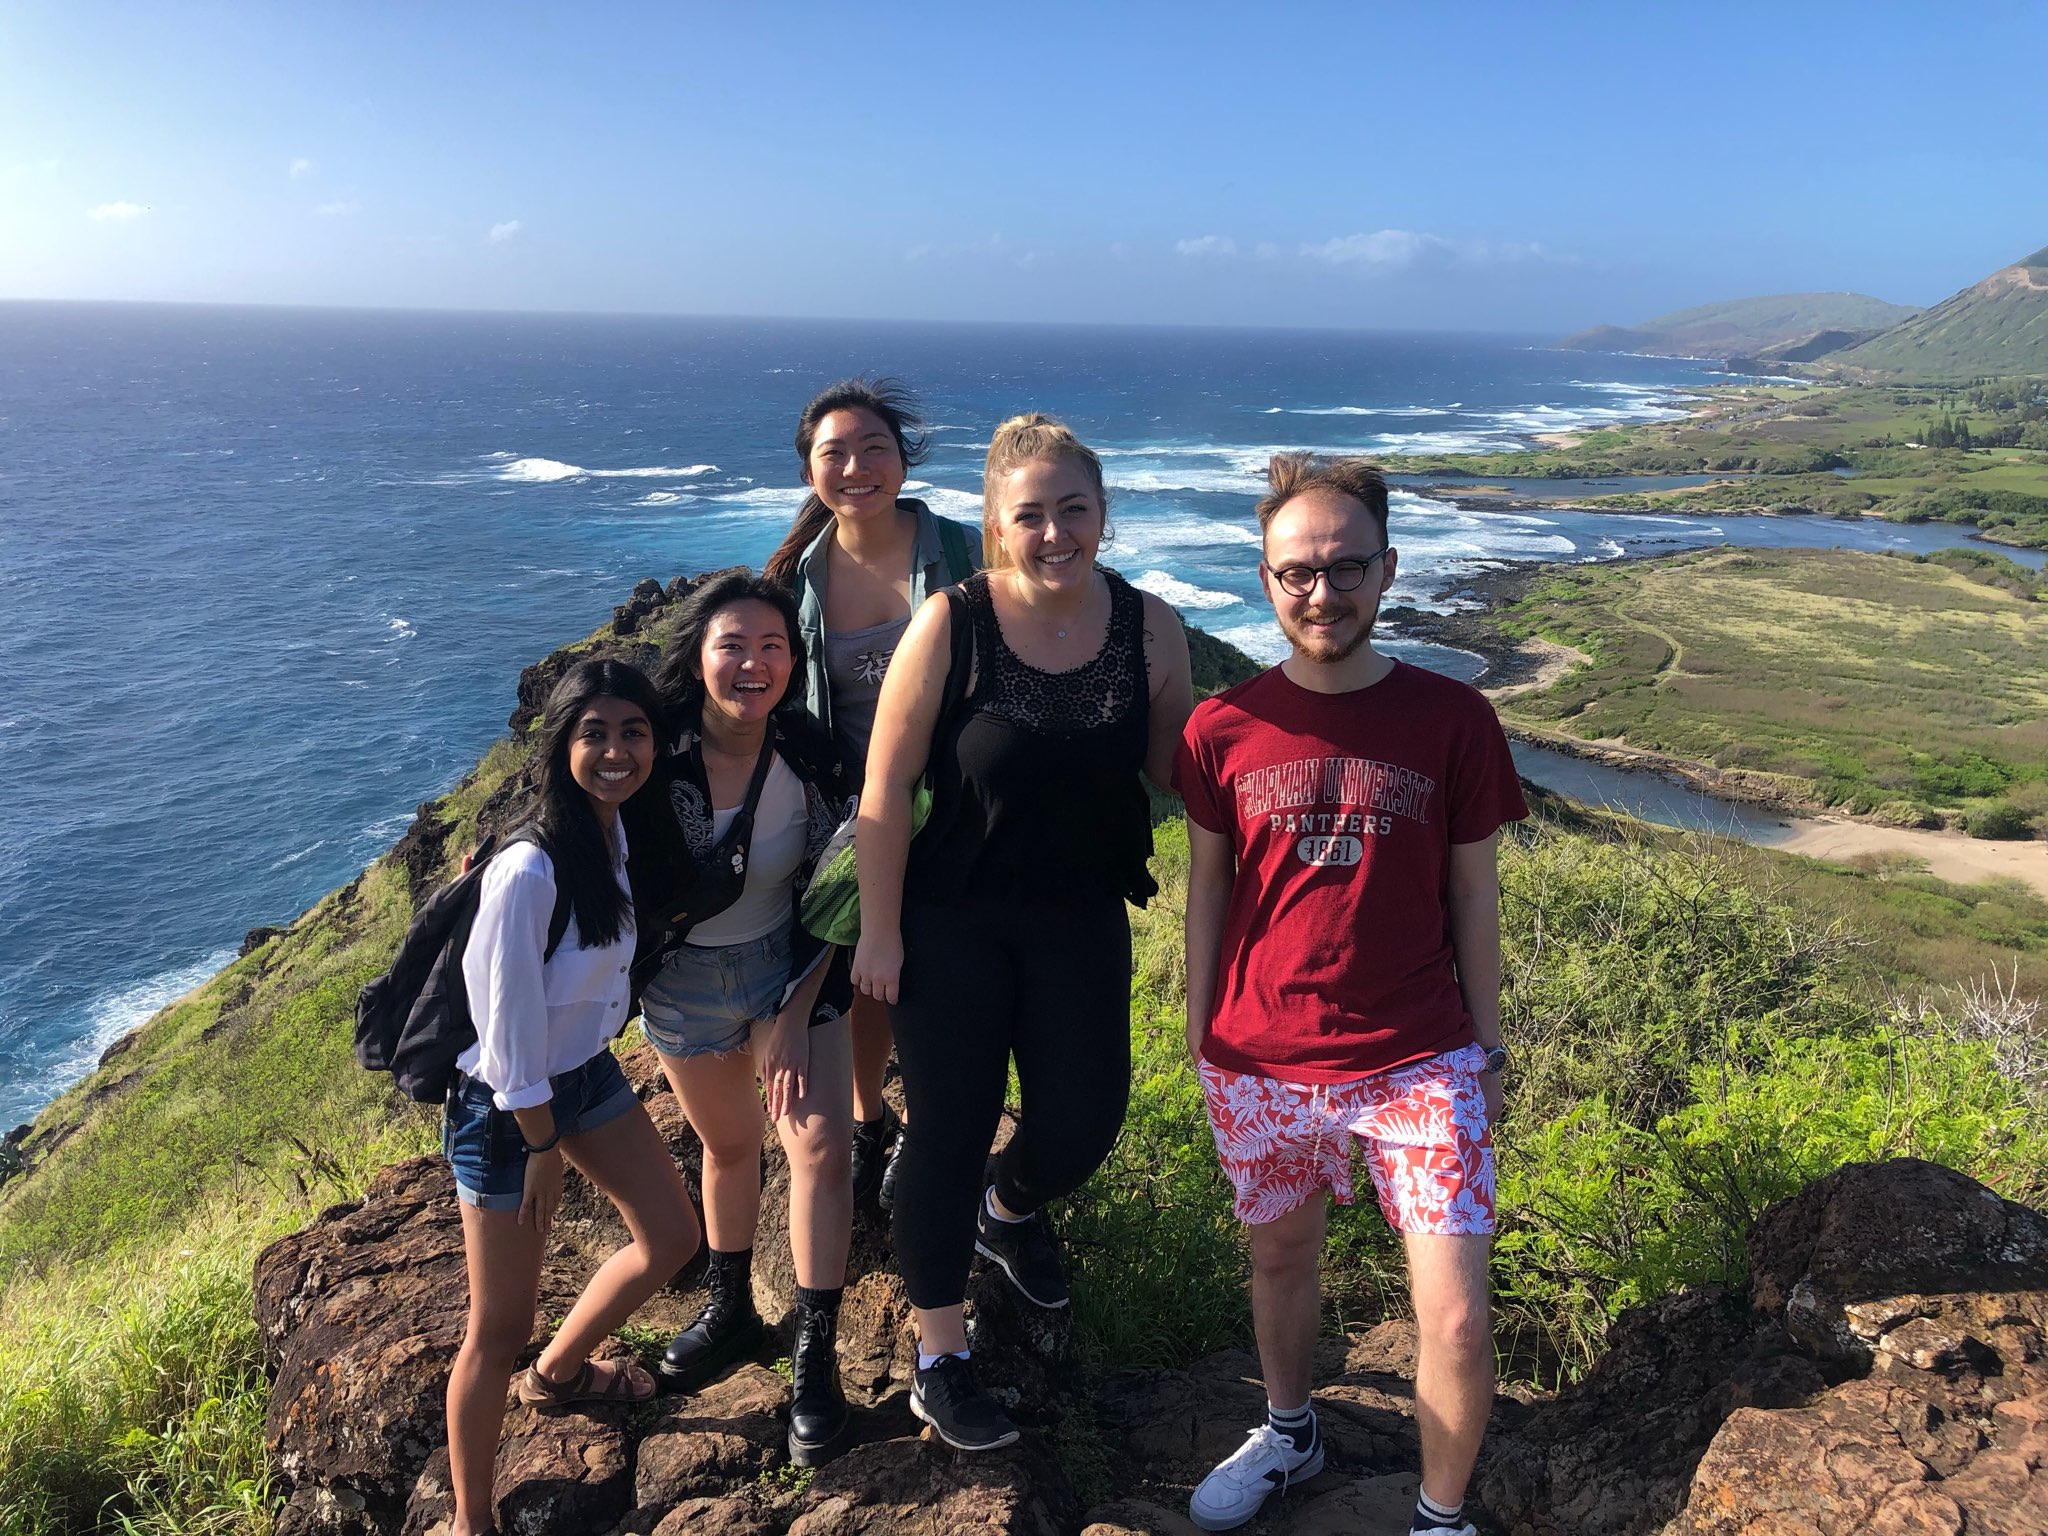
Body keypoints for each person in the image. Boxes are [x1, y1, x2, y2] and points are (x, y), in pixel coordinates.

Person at [1173, 457, 1526, 1535]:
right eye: (1295, 573)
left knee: (1456, 1319)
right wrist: (1200, 1040)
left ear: (1385, 571)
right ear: (1265, 580)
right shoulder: (1218, 726)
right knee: (1278, 1257)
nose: (1319, 593)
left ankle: (1439, 1515)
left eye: (1343, 568)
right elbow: (1207, 891)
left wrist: (1488, 1044)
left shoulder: (1452, 720)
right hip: (1260, 1059)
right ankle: (1289, 1432)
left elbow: (1473, 891)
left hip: (1422, 1058)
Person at [852, 413, 1193, 1451]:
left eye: (1072, 510)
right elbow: (886, 782)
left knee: (1085, 1117)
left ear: (1102, 513)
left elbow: (1183, 774)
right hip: (949, 916)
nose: (1054, 534)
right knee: (946, 1130)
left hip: (1080, 912)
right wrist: (878, 932)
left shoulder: (1149, 626)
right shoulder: (951, 623)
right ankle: (939, 1358)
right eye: (1028, 516)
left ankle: (1009, 1211)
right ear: (997, 526)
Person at [443, 658, 700, 1536]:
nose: (617, 751)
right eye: (595, 734)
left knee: (673, 1234)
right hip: (508, 1105)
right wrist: (542, 1145)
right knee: (497, 1325)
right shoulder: (528, 870)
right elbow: (506, 1027)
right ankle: (473, 1521)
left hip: (583, 1071)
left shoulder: (611, 832)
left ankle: (559, 1374)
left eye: (634, 732)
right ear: (561, 745)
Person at [626, 571, 861, 1466]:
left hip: (789, 970)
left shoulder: (808, 753)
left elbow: (842, 892)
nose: (753, 663)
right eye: (734, 645)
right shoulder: (654, 756)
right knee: (727, 1150)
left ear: (793, 662)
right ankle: (729, 1310)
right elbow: (579, 826)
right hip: (682, 984)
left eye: (773, 646)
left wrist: (798, 1013)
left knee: (820, 1150)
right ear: (699, 655)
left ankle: (814, 1353)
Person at [764, 378, 979, 1210]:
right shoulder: (795, 581)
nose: (856, 468)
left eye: (874, 448)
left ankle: (937, 1128)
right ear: (810, 471)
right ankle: (867, 1119)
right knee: (862, 973)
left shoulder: (964, 553)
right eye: (834, 454)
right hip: (847, 816)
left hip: (958, 804)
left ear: (904, 457)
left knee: (942, 971)